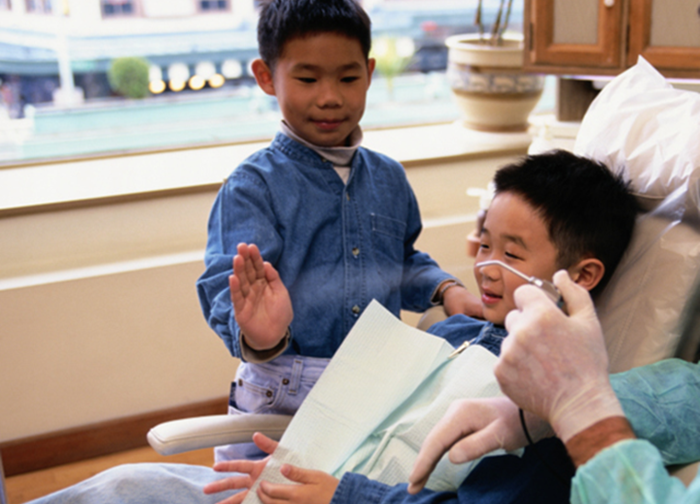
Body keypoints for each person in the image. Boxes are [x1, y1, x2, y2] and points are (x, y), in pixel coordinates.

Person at [24, 150, 638, 504]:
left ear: (580, 276)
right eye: (483, 242)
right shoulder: (453, 335)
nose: (484, 264)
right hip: (288, 483)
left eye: (512, 251)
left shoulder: (560, 398)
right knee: (125, 486)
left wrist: (340, 497)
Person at [195, 0, 481, 462]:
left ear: (368, 73)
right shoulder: (253, 186)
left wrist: (445, 289)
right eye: (307, 79)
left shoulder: (389, 177)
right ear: (267, 77)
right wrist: (262, 337)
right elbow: (226, 290)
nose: (330, 97)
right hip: (283, 393)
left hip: (378, 388)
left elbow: (401, 261)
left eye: (347, 78)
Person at [408, 271, 700, 504]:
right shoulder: (452, 328)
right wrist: (549, 414)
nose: (488, 269)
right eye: (485, 244)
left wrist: (586, 413)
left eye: (511, 255)